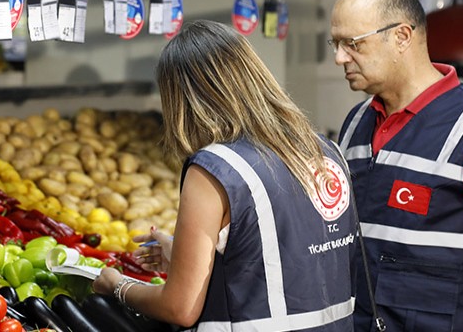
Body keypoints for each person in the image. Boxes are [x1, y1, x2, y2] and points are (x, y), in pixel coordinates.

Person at [93, 20, 358, 331]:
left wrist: (118, 285)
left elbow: (180, 308)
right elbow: (291, 257)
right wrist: (187, 256)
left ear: (183, 101)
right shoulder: (326, 151)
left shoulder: (216, 168)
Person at [330, 0, 463, 332]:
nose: (339, 57)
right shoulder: (356, 121)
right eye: (335, 44)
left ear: (402, 37)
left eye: (352, 44)